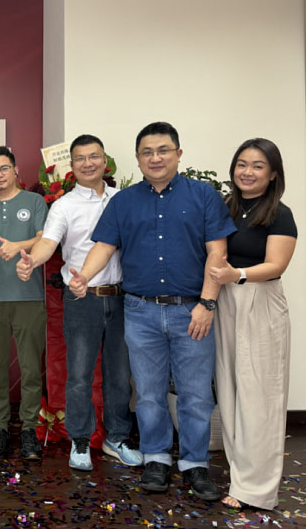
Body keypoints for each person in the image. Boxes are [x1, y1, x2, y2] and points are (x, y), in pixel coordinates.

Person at [69, 122, 235, 500]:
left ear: (179, 154)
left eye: (163, 150)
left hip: (192, 311)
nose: (155, 158)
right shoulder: (123, 202)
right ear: (138, 158)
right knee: (147, 393)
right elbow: (104, 247)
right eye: (147, 152)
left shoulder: (204, 196)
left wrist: (208, 303)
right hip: (140, 312)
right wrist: (85, 278)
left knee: (195, 394)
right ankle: (156, 458)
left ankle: (194, 464)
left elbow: (218, 252)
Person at [16, 135, 142, 471]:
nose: (88, 163)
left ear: (105, 161)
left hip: (122, 298)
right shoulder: (64, 206)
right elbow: (48, 242)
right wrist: (32, 260)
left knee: (120, 374)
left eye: (94, 156)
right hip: (81, 299)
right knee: (80, 374)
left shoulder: (123, 199)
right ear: (71, 166)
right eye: (80, 158)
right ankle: (80, 440)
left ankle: (117, 438)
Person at [209, 138, 297, 510]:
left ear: (273, 173)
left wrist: (238, 274)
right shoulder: (225, 208)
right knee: (230, 392)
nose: (247, 172)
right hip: (225, 299)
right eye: (242, 164)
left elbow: (276, 264)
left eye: (258, 166)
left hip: (259, 300)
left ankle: (257, 490)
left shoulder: (280, 213)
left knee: (260, 395)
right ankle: (240, 477)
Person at [0, 146, 47, 460]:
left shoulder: (34, 202)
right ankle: (0, 427)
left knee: (31, 367)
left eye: (4, 168)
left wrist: (20, 244)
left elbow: (46, 238)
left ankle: (30, 428)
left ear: (16, 170)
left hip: (29, 296)